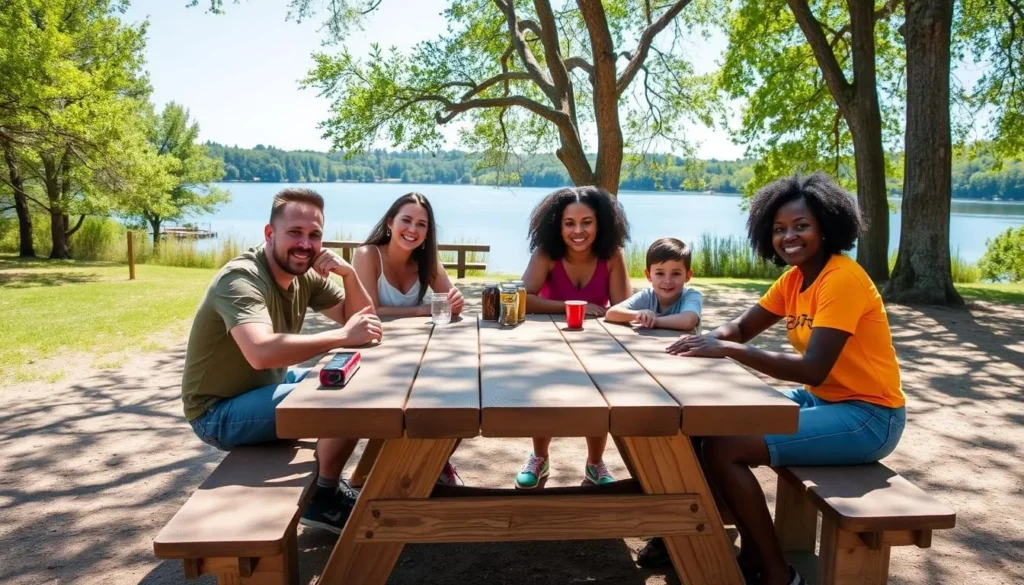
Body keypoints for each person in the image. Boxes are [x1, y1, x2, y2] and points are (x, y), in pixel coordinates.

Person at [641, 173, 906, 585]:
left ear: (826, 226)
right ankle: (683, 533)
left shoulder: (842, 279)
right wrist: (704, 339)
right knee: (707, 423)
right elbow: (743, 328)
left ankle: (775, 571)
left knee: (727, 448)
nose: (789, 237)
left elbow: (812, 367)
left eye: (801, 226)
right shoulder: (797, 277)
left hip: (870, 416)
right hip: (824, 400)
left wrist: (726, 349)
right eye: (779, 229)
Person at [182, 188, 382, 535]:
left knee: (354, 379)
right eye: (295, 233)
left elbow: (365, 322)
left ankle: (328, 489)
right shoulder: (241, 279)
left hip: (269, 387)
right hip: (217, 412)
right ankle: (324, 498)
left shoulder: (303, 273)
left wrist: (349, 274)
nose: (306, 244)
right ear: (269, 233)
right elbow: (261, 353)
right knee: (346, 399)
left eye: (314, 235)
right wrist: (341, 337)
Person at [516, 185, 632, 489]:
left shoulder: (613, 255)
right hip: (548, 345)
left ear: (600, 223)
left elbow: (622, 307)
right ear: (558, 225)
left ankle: (595, 463)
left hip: (598, 346)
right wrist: (570, 306)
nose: (578, 231)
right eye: (569, 223)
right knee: (545, 395)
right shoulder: (545, 254)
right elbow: (523, 298)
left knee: (600, 398)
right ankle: (539, 458)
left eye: (587, 222)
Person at [352, 191, 465, 485]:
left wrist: (455, 301)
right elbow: (370, 310)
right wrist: (422, 309)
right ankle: (423, 465)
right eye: (407, 220)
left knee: (463, 392)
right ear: (390, 222)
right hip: (375, 353)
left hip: (418, 355)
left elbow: (450, 300)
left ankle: (438, 460)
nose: (413, 230)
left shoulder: (427, 262)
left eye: (422, 225)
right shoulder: (367, 255)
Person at [605, 237, 703, 332]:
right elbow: (611, 313)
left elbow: (688, 321)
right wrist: (637, 315)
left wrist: (652, 321)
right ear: (648, 275)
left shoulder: (691, 296)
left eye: (676, 274)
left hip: (684, 348)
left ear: (688, 275)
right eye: (660, 273)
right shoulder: (646, 296)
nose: (667, 281)